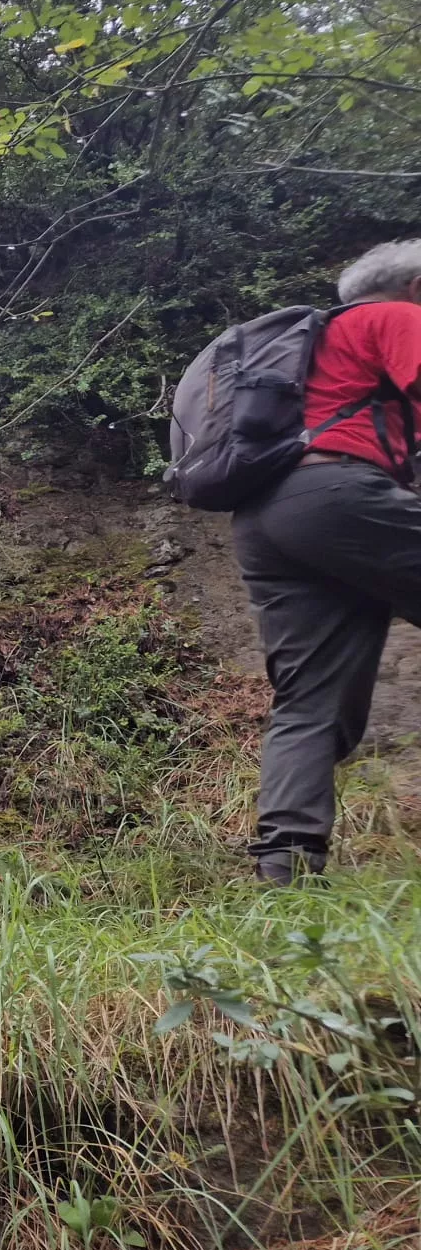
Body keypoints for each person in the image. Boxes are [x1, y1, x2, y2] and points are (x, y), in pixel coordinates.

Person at [233, 239, 421, 885]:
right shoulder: (396, 317)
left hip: (266, 516)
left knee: (310, 701)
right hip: (338, 495)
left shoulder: (314, 348)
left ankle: (285, 875)